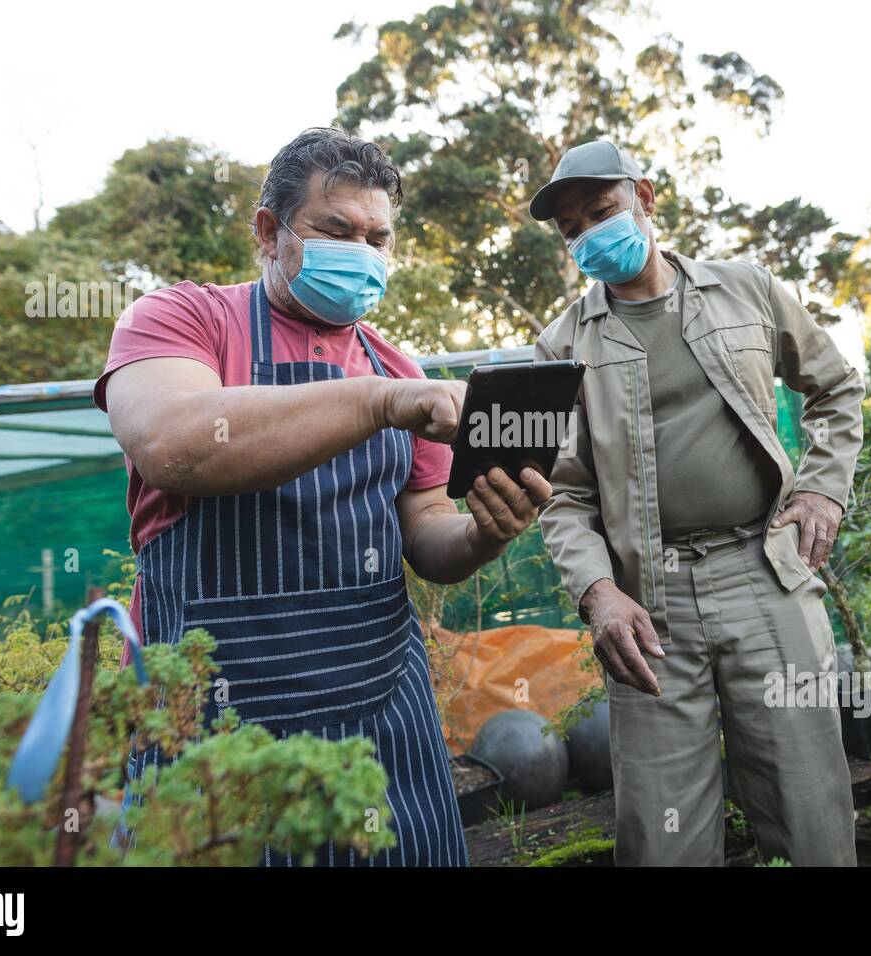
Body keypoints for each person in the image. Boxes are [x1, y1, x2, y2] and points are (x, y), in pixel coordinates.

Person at [96, 127, 551, 866]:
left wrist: (487, 533)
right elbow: (173, 443)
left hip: (383, 725)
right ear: (269, 233)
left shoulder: (395, 363)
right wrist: (381, 403)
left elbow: (430, 533)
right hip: (216, 732)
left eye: (379, 237)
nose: (363, 253)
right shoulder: (183, 320)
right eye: (336, 230)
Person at [529, 140, 864, 866]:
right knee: (661, 833)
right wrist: (599, 595)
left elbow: (837, 388)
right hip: (648, 607)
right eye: (573, 229)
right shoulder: (560, 347)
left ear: (646, 199)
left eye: (602, 212)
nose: (590, 235)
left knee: (810, 811)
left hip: (765, 576)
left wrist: (820, 488)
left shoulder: (747, 290)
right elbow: (562, 494)